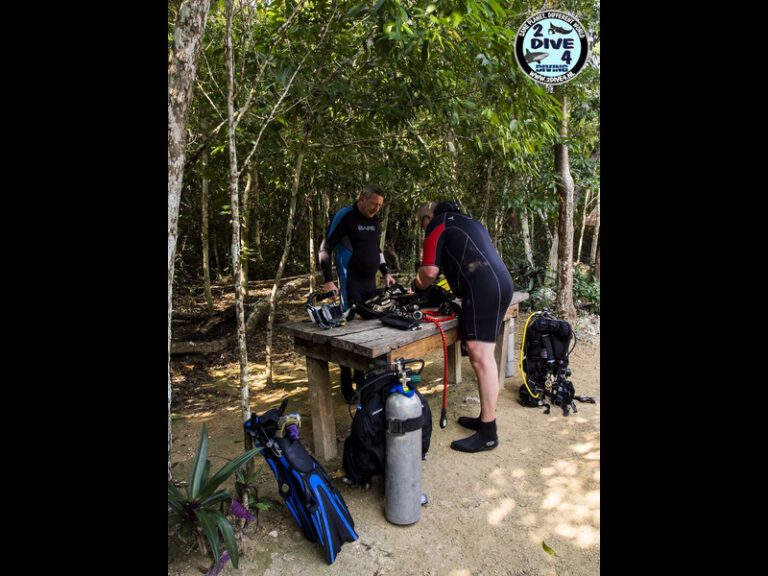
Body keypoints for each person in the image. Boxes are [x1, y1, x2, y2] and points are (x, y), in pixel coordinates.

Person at [413, 201, 514, 453]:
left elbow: (428, 272)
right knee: (484, 357)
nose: (424, 228)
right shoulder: (471, 222)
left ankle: (488, 432)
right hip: (501, 283)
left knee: (481, 359)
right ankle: (485, 419)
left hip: (482, 288)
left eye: (422, 223)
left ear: (428, 216)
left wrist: (415, 287)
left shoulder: (439, 223)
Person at [318, 183, 396, 403]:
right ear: (362, 199)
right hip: (349, 281)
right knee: (349, 331)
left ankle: (363, 380)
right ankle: (346, 385)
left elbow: (376, 249)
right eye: (373, 204)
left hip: (369, 282)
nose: (376, 209)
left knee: (369, 330)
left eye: (380, 206)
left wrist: (386, 272)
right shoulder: (347, 217)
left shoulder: (374, 220)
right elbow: (325, 248)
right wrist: (327, 280)